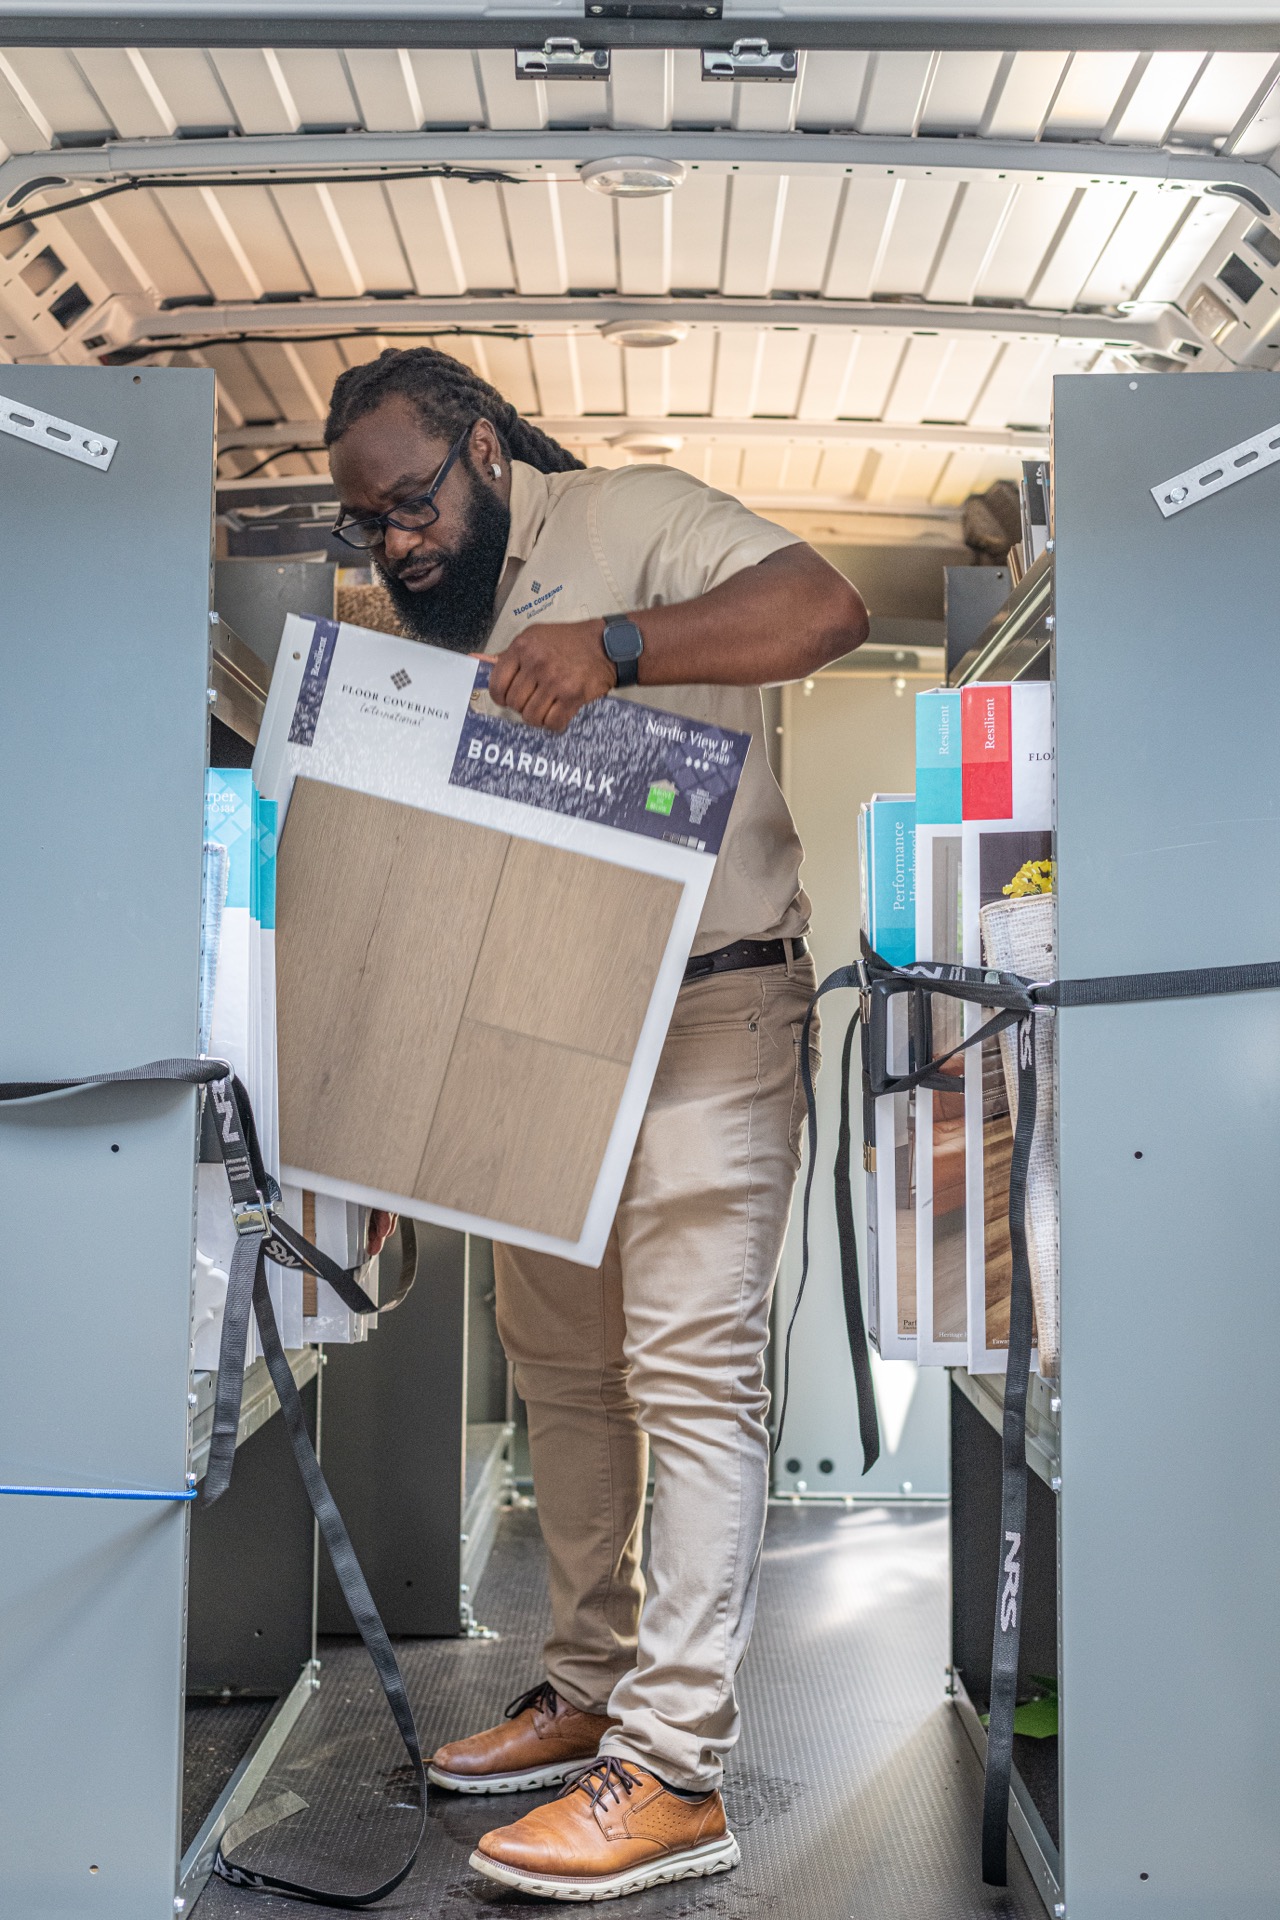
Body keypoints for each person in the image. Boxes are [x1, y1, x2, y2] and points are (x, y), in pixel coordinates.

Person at [325, 347, 868, 1903]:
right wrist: (379, 1113)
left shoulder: (635, 517)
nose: (398, 545)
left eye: (414, 504)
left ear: (484, 449)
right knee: (561, 1366)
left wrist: (616, 649)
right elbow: (416, 873)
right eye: (370, 526)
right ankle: (586, 1688)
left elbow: (824, 608)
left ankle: (679, 1768)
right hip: (533, 1027)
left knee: (689, 1370)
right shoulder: (417, 624)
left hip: (710, 1009)